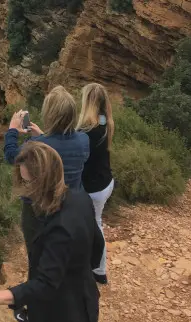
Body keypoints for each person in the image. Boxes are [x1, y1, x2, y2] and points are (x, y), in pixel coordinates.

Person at [0, 142, 104, 322]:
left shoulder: (60, 227)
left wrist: (1, 296)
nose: (26, 189)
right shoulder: (79, 198)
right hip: (85, 299)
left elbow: (46, 283)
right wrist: (77, 272)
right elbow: (98, 245)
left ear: (43, 181)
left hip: (65, 320)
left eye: (28, 182)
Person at [4, 86, 90, 249]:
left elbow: (11, 156)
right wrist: (42, 136)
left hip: (39, 212)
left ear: (49, 115)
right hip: (72, 208)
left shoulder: (35, 147)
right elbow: (60, 152)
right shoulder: (84, 140)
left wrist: (12, 130)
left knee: (39, 258)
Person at [77, 83, 115, 285]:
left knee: (90, 226)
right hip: (106, 181)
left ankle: (96, 270)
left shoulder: (86, 131)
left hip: (93, 188)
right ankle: (97, 269)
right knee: (95, 223)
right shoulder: (106, 122)